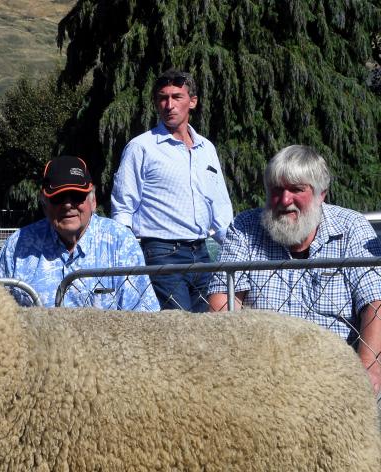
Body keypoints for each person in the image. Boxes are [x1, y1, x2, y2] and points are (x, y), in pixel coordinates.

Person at [207, 145, 381, 393]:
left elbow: (375, 304)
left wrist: (369, 366)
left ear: (321, 194)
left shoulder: (352, 227)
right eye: (276, 189)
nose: (285, 200)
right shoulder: (244, 228)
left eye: (296, 189)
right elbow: (222, 302)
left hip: (334, 372)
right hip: (262, 373)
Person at [111, 69, 233, 312]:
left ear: (192, 102)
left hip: (202, 252)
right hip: (161, 253)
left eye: (177, 97)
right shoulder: (141, 147)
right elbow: (123, 208)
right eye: (162, 98)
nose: (169, 105)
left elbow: (220, 206)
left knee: (210, 325)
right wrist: (127, 258)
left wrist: (234, 248)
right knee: (178, 327)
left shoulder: (206, 148)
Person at [0, 156, 159, 311]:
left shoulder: (120, 242)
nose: (68, 205)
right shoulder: (18, 244)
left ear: (93, 201)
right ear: (44, 205)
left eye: (77, 196)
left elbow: (143, 316)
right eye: (58, 197)